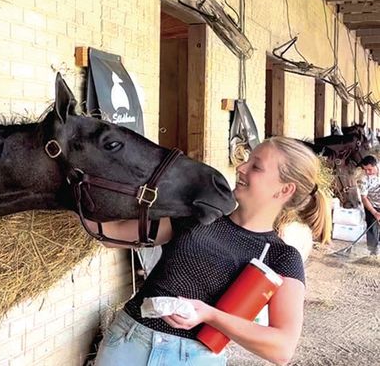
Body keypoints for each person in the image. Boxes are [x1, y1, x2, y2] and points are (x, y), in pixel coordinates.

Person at [85, 137, 330, 366]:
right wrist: (69, 190)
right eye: (247, 159)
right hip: (128, 342)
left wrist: (210, 316)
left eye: (256, 166)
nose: (241, 168)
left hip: (193, 358)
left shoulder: (281, 256)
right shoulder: (200, 215)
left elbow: (282, 348)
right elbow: (112, 234)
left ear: (285, 190)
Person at [357, 155, 380, 256]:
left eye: (370, 169)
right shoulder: (363, 179)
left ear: (376, 165)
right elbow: (364, 198)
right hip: (371, 205)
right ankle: (373, 252)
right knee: (372, 228)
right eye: (365, 170)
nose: (367, 172)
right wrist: (375, 213)